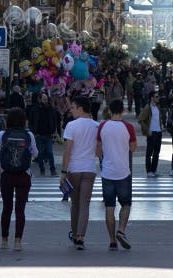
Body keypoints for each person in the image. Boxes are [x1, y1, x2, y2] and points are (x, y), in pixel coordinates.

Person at [0, 108, 38, 251]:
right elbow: (35, 153)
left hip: (6, 175)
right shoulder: (29, 134)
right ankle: (18, 241)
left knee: (6, 208)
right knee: (20, 209)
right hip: (24, 175)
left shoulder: (2, 134)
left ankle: (4, 240)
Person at [96, 99, 136, 251]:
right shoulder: (128, 127)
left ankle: (112, 241)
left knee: (109, 206)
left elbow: (98, 150)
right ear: (123, 111)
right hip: (123, 171)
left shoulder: (103, 126)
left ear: (110, 111)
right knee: (126, 204)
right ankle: (121, 230)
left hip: (107, 172)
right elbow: (133, 148)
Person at [60, 96, 99, 249]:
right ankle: (81, 236)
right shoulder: (97, 126)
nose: (71, 110)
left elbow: (67, 151)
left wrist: (63, 172)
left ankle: (75, 233)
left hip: (74, 168)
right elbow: (99, 152)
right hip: (89, 168)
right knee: (85, 204)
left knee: (75, 204)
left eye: (73, 107)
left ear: (80, 108)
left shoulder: (71, 125)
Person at [28, 93, 59, 176]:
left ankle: (53, 169)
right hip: (39, 135)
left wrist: (54, 131)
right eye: (44, 99)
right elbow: (30, 121)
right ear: (40, 99)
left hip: (48, 134)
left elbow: (54, 120)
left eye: (46, 99)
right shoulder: (35, 109)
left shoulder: (51, 108)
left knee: (50, 152)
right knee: (40, 153)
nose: (45, 101)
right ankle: (42, 169)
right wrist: (34, 132)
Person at [137, 91, 165, 177]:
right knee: (149, 153)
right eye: (156, 97)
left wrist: (161, 127)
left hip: (158, 132)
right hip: (151, 133)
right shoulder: (148, 108)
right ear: (152, 98)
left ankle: (154, 170)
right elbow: (140, 119)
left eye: (158, 96)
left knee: (156, 153)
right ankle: (149, 171)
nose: (158, 98)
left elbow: (159, 119)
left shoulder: (157, 107)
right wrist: (147, 130)